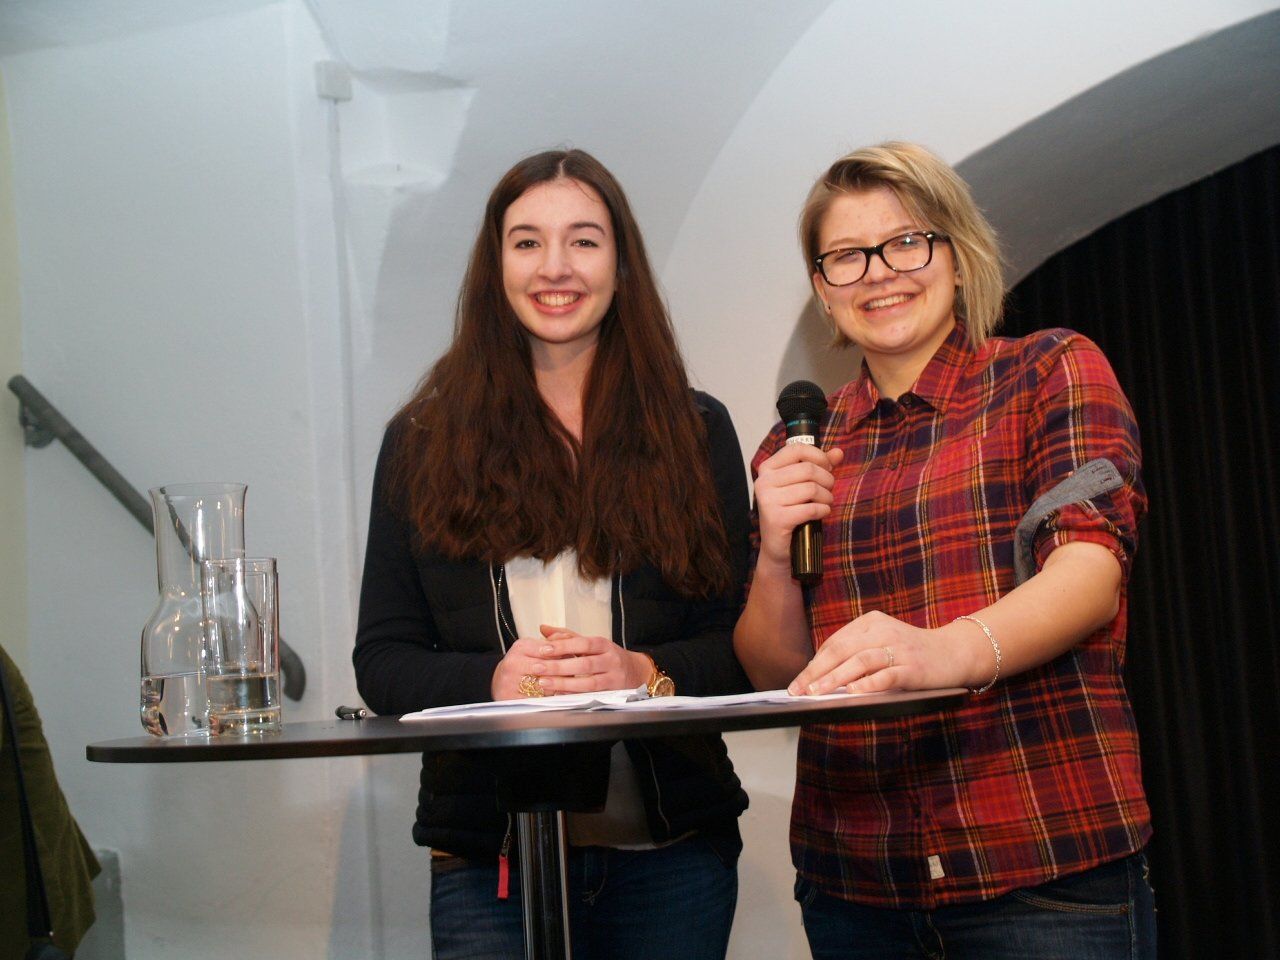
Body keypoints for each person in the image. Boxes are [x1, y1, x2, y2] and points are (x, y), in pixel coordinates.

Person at [733, 141, 1155, 959]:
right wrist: (776, 555)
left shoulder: (1049, 371)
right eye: (847, 257)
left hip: (1040, 866)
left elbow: (1090, 572)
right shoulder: (793, 446)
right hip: (855, 884)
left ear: (956, 257)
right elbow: (775, 673)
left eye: (906, 242)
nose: (879, 273)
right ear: (823, 289)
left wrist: (944, 653)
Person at [354, 148, 751, 959]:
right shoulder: (422, 442)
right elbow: (383, 662)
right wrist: (492, 683)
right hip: (486, 866)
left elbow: (744, 649)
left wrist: (644, 673)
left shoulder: (695, 430)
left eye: (584, 241)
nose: (555, 267)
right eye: (527, 242)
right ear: (495, 266)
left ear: (621, 265)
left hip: (673, 860)